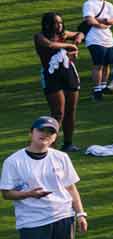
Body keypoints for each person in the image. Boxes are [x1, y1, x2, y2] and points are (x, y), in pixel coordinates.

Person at [5, 117, 85, 239]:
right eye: (41, 130)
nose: (45, 135)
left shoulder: (61, 158)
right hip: (32, 220)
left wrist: (80, 213)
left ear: (55, 137)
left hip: (63, 216)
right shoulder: (14, 161)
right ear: (31, 132)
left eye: (51, 132)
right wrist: (29, 194)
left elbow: (70, 187)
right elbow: (6, 193)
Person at [36, 12, 80, 150]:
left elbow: (80, 33)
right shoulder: (40, 36)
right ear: (48, 24)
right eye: (56, 22)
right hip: (52, 77)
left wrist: (76, 42)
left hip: (69, 75)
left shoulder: (64, 34)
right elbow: (50, 45)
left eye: (61, 22)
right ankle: (51, 145)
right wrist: (69, 46)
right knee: (58, 113)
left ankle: (68, 143)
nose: (59, 25)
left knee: (70, 110)